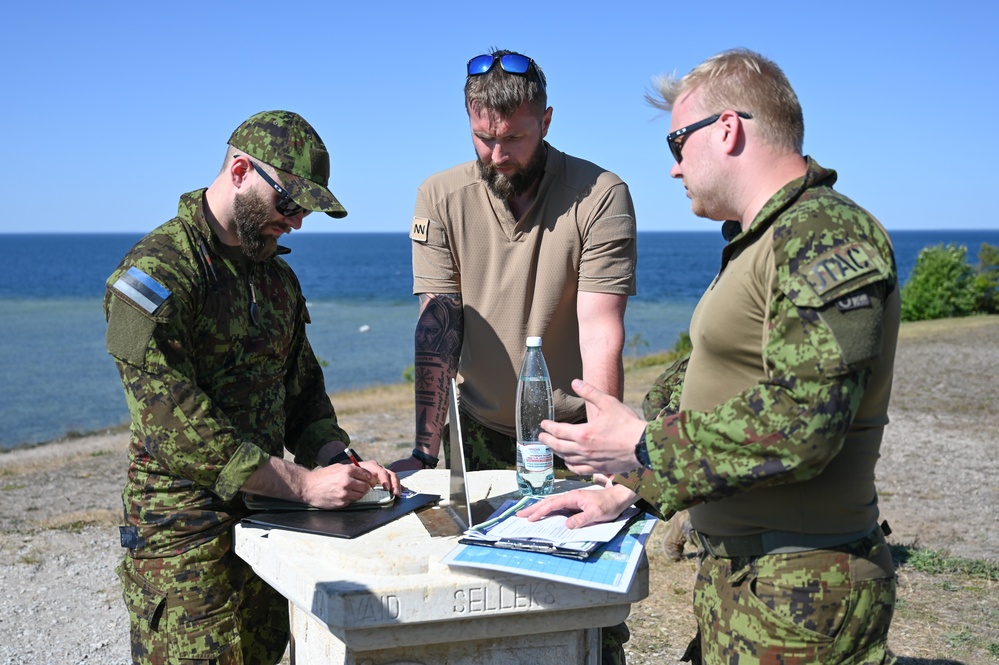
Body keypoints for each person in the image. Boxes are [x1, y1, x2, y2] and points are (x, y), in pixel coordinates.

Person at [521, 48, 900, 664]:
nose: (673, 169)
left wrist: (644, 445)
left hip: (803, 587)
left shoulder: (822, 233)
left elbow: (804, 422)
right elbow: (716, 383)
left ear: (727, 129)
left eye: (677, 142)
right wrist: (631, 488)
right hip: (757, 580)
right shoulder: (766, 240)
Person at [104, 110, 400, 665]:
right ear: (240, 170)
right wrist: (305, 486)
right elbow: (174, 421)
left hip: (271, 520)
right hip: (185, 533)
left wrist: (341, 460)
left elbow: (302, 391)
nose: (295, 224)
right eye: (288, 204)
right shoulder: (156, 273)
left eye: (304, 211)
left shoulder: (276, 277)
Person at [391, 48, 639, 664]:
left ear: (547, 121)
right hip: (474, 430)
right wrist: (425, 448)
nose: (498, 155)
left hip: (570, 433)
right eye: (483, 138)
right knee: (479, 597)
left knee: (581, 605)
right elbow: (438, 324)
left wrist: (607, 452)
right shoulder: (439, 195)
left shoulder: (601, 194)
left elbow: (601, 325)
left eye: (515, 138)